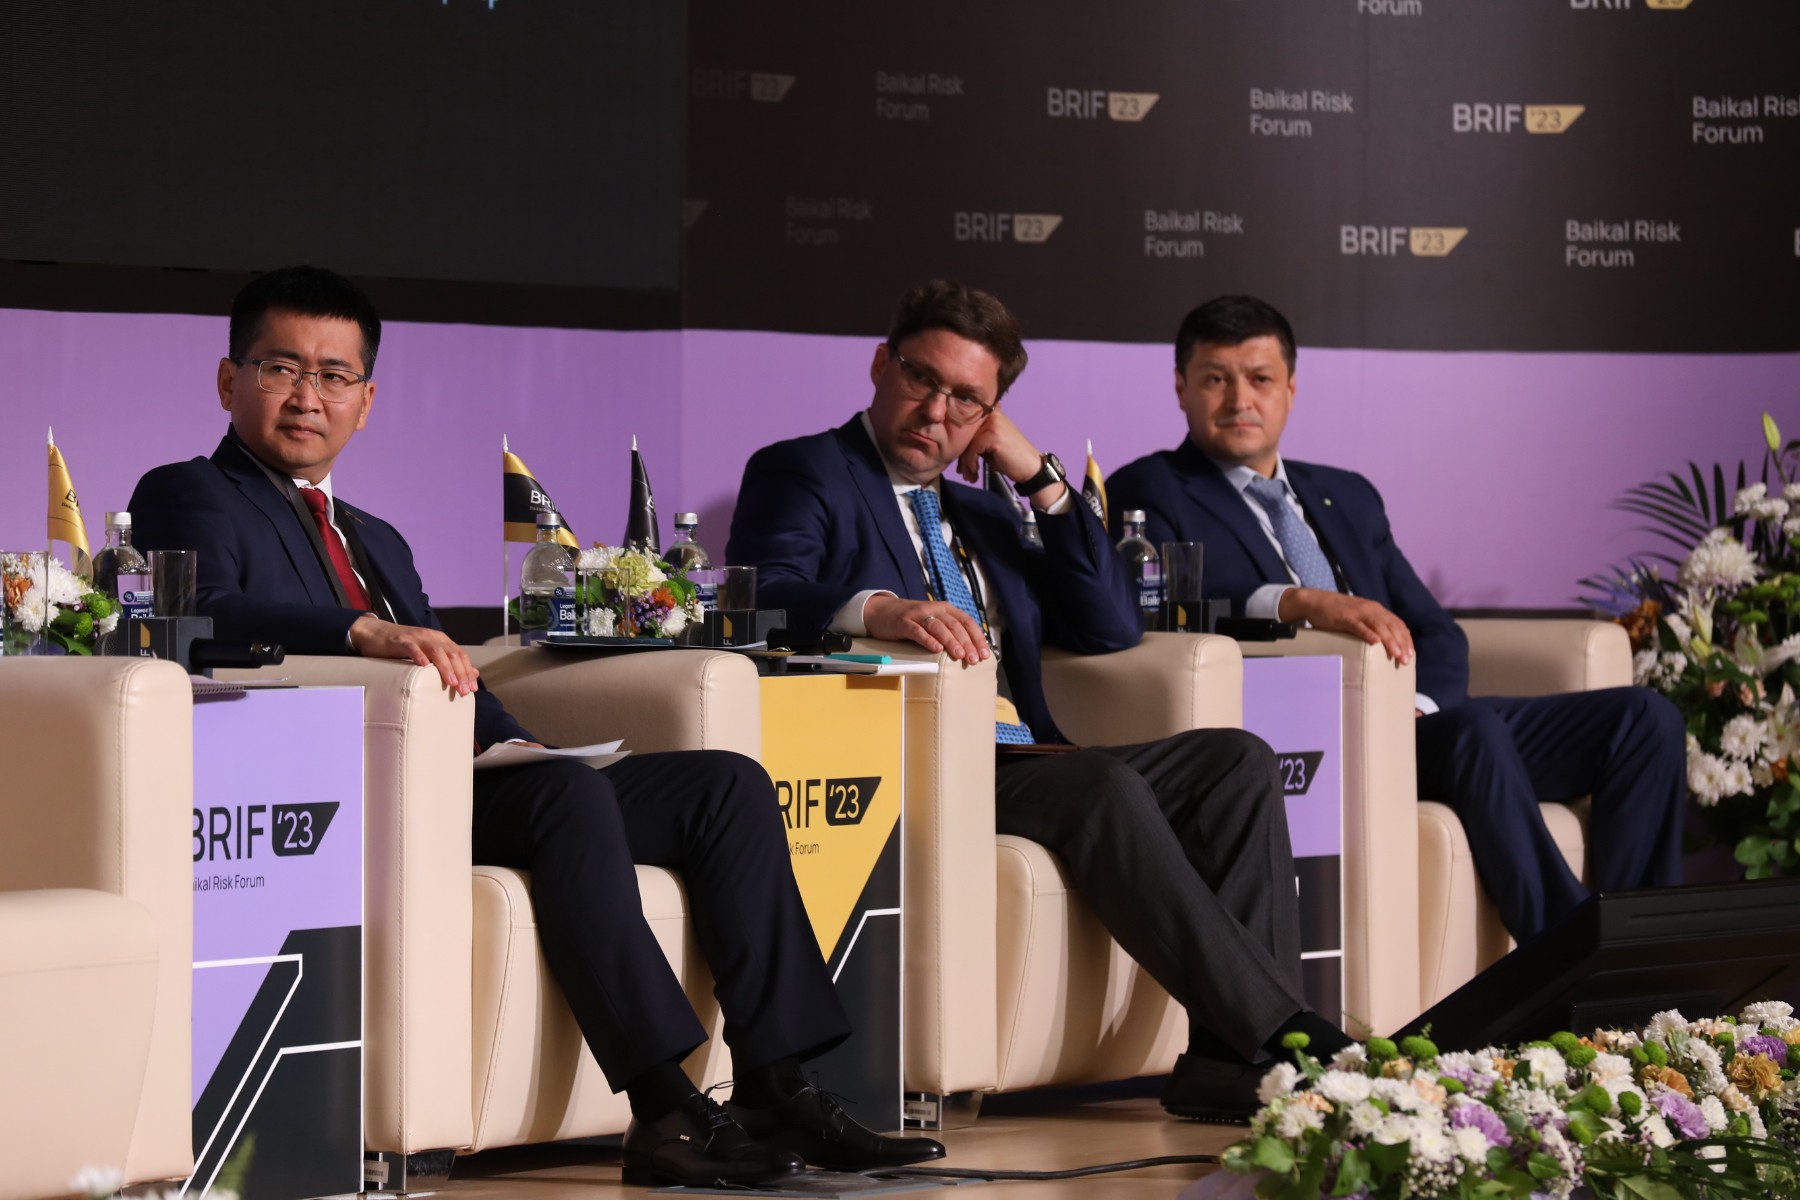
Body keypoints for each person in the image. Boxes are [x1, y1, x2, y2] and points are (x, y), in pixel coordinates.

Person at [128, 265, 943, 1187]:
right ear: (229, 381)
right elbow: (204, 611)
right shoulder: (188, 491)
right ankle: (664, 1108)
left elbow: (453, 672)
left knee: (725, 787)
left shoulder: (377, 537)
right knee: (562, 797)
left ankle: (777, 1083)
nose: (308, 396)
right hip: (345, 789)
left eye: (335, 375)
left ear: (367, 400)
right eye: (282, 368)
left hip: (467, 774)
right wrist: (358, 630)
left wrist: (513, 738)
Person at [727, 279, 1352, 1122]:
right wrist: (880, 610)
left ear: (990, 415)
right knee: (1099, 783)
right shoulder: (805, 470)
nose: (935, 410)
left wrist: (1040, 479)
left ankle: (1221, 1063)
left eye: (966, 399)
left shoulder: (982, 513)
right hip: (915, 761)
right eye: (920, 377)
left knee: (1234, 760)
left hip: (1022, 755)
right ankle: (1287, 1033)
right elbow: (764, 588)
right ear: (881, 364)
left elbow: (1110, 625)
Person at [1106, 294, 1685, 943]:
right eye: (1217, 379)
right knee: (1474, 732)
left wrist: (1417, 709)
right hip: (1310, 733)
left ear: (1291, 389)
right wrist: (1296, 600)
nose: (1241, 399)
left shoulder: (1346, 494)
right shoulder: (1149, 489)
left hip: (1418, 724)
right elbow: (1166, 601)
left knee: (1644, 720)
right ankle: (1575, 950)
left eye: (1260, 379)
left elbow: (1435, 630)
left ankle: (1644, 948)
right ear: (1181, 388)